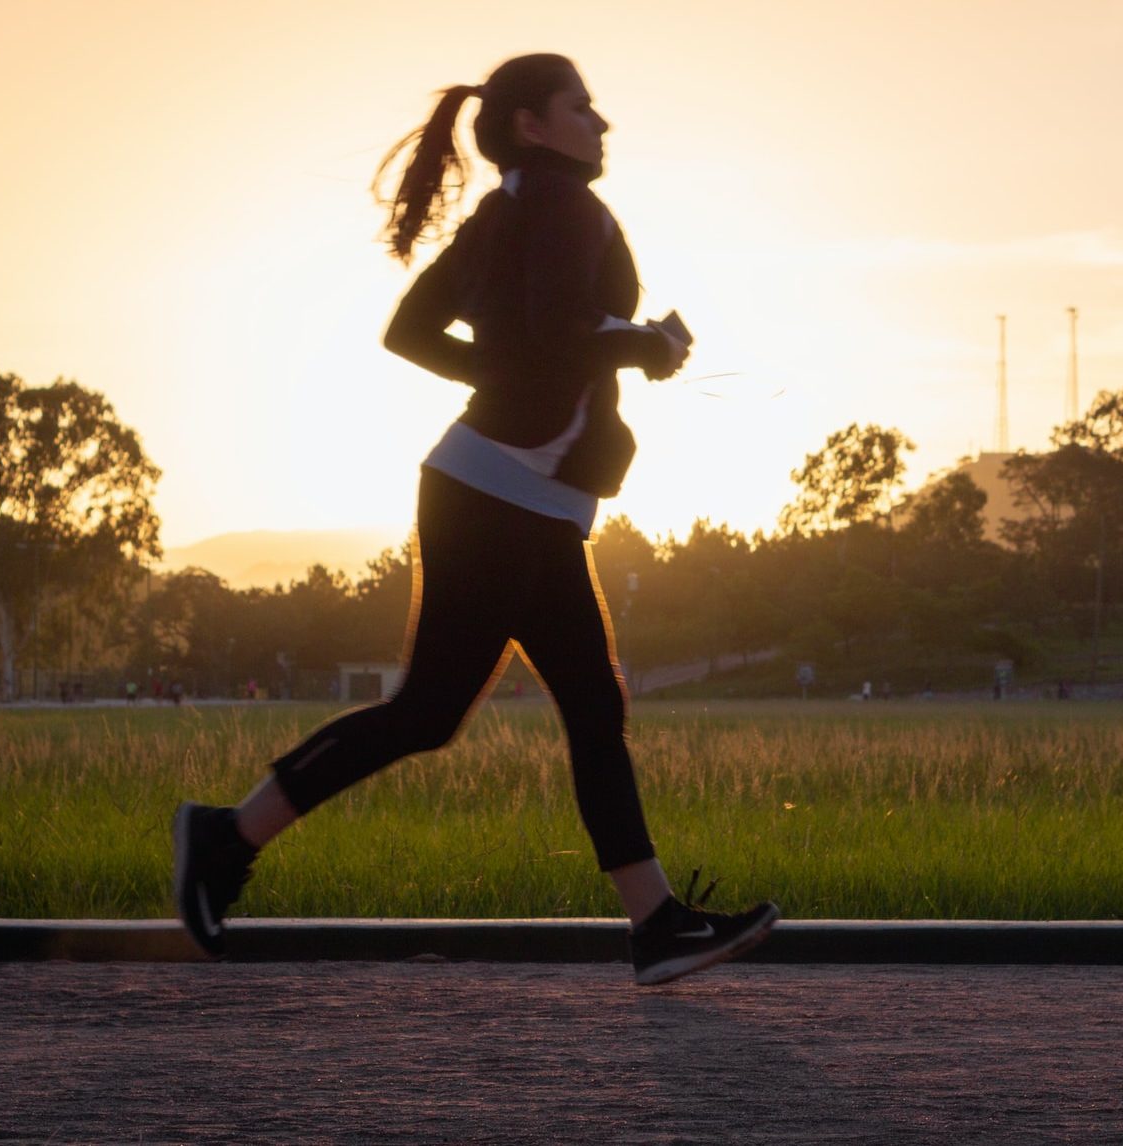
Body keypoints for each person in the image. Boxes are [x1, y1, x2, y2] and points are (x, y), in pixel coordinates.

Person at [174, 53, 778, 986]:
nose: (602, 122)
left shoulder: (506, 213)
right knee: (440, 711)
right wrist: (649, 344)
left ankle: (655, 923)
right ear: (534, 124)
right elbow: (549, 336)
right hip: (497, 496)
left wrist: (509, 381)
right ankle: (225, 836)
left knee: (582, 704)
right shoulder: (564, 211)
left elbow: (413, 331)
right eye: (583, 106)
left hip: (509, 492)